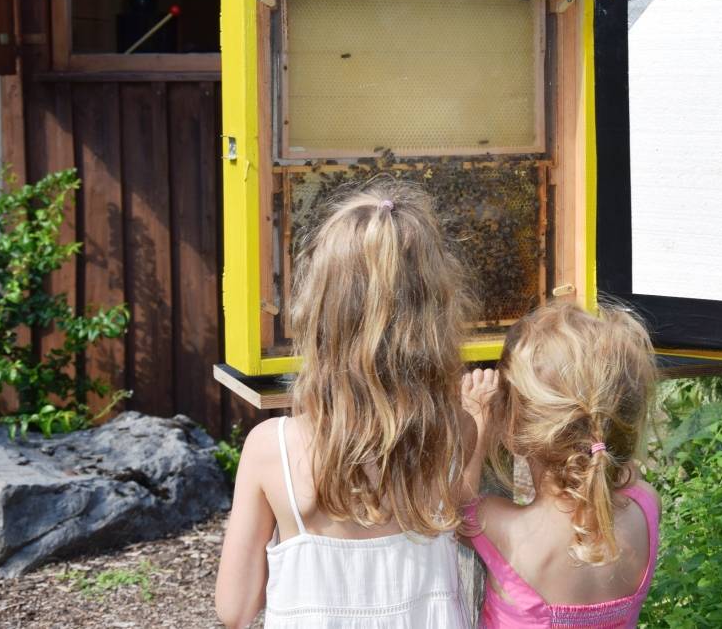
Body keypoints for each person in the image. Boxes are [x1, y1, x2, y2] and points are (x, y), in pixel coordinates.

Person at [215, 180, 477, 628]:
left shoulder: (271, 448)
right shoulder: (458, 431)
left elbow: (234, 609)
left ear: (318, 310)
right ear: (434, 311)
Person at [461, 302, 660, 629]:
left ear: (512, 431)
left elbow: (454, 510)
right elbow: (620, 471)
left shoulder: (506, 530)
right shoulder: (647, 507)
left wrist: (479, 422)